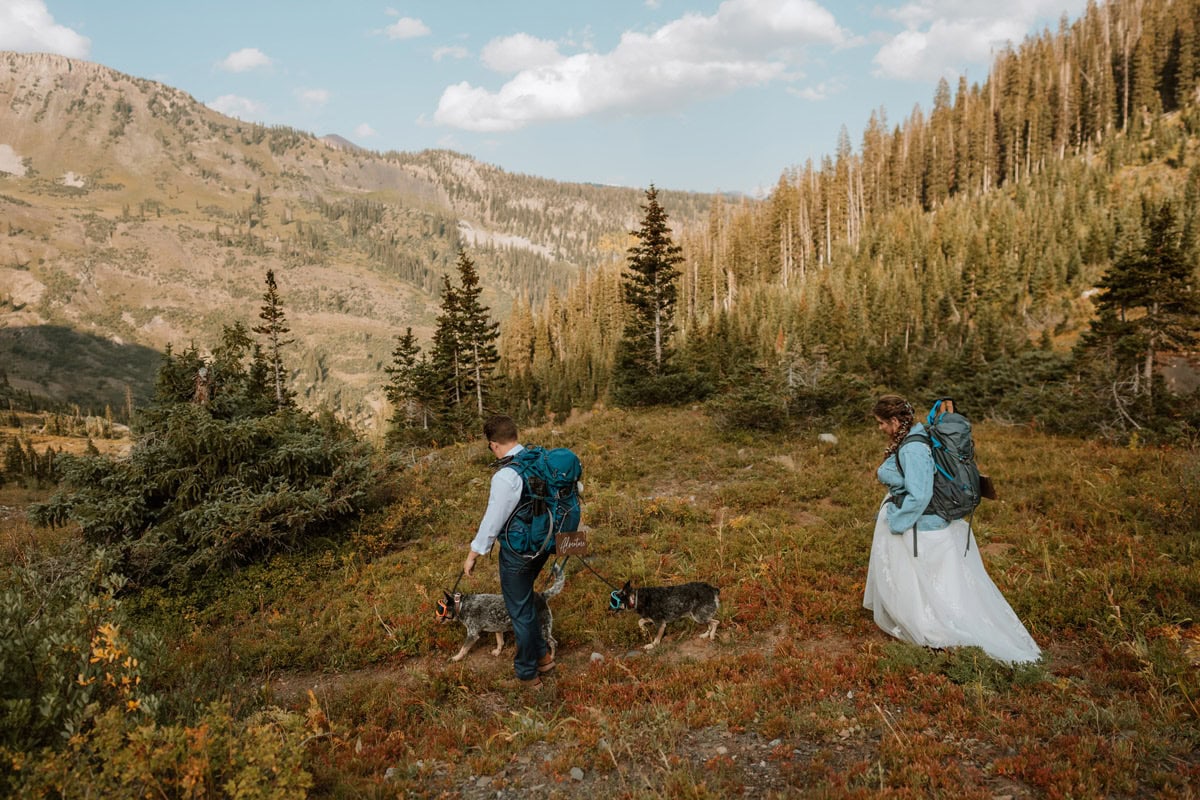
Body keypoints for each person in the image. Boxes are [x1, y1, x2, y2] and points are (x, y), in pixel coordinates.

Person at [862, 394, 1041, 664]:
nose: (879, 429)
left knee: (925, 580)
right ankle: (923, 614)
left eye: (881, 423)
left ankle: (930, 623)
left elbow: (920, 494)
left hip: (923, 526)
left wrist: (897, 521)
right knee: (931, 580)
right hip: (927, 522)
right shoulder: (915, 435)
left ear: (896, 421)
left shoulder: (913, 448)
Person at [463, 414, 557, 686]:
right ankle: (543, 658)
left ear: (493, 444)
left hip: (519, 552)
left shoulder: (506, 476)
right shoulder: (540, 459)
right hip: (543, 544)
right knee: (525, 601)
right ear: (515, 435)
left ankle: (528, 675)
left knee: (520, 611)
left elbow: (492, 520)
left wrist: (473, 555)